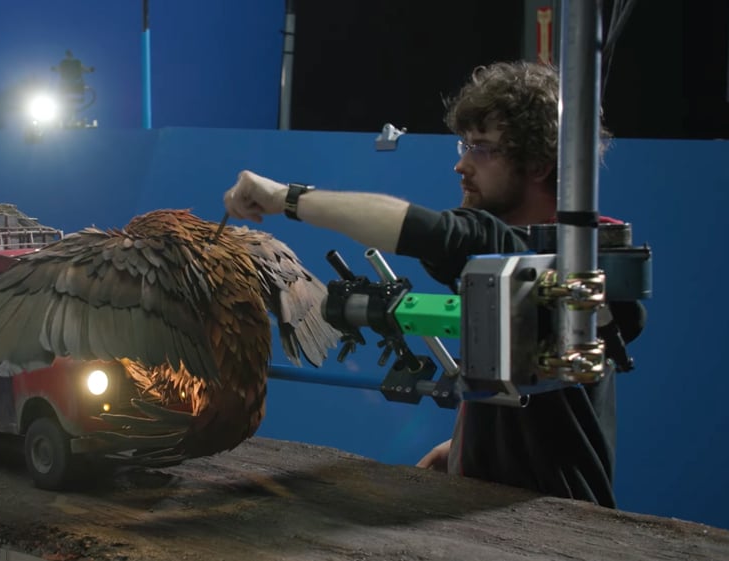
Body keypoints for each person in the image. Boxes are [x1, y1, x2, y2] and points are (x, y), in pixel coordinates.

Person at [222, 60, 637, 507]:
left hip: (562, 521)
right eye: (464, 144)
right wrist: (465, 450)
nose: (461, 164)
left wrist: (284, 198)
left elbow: (433, 232)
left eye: (481, 148)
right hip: (496, 507)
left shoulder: (563, 263)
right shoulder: (501, 258)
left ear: (538, 163)